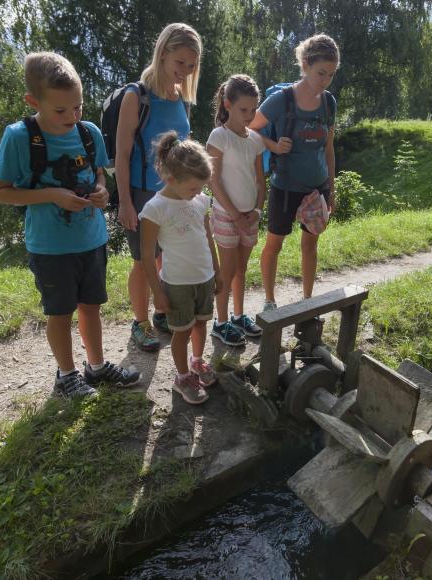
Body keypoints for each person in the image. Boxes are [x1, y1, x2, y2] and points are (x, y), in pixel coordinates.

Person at [0, 52, 140, 398]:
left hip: (92, 238)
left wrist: (102, 191)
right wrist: (51, 195)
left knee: (91, 306)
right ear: (33, 101)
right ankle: (67, 374)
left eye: (78, 107)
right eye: (60, 111)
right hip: (50, 246)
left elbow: (99, 173)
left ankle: (97, 366)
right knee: (59, 312)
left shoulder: (88, 133)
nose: (72, 117)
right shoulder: (18, 137)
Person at [115, 22, 202, 352]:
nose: (185, 71)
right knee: (143, 261)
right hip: (141, 194)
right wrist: (124, 202)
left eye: (191, 65)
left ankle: (160, 312)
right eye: (180, 62)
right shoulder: (136, 96)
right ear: (162, 53)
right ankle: (140, 323)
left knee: (165, 257)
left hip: (174, 194)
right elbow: (121, 156)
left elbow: (185, 148)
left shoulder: (182, 98)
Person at [250, 33, 339, 311]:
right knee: (274, 244)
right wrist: (274, 146)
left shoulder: (329, 103)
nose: (324, 81)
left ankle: (308, 301)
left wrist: (332, 188)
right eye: (320, 73)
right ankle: (269, 301)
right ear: (305, 65)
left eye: (331, 75)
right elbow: (248, 128)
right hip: (285, 187)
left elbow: (328, 148)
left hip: (317, 187)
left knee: (310, 246)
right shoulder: (281, 100)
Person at [139, 132, 220, 405]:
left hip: (204, 278)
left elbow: (208, 238)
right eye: (193, 189)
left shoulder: (199, 201)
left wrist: (217, 271)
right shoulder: (156, 209)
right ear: (171, 179)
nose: (198, 194)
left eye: (200, 189)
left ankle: (197, 362)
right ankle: (182, 376)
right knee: (181, 331)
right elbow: (147, 256)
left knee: (200, 324)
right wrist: (156, 292)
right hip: (177, 283)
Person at [206, 75, 266, 347]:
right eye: (244, 110)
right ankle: (220, 323)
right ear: (227, 104)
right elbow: (213, 181)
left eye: (254, 109)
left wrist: (256, 211)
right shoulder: (219, 137)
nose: (250, 115)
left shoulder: (255, 140)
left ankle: (239, 316)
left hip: (249, 216)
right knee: (227, 272)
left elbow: (260, 181)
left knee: (242, 269)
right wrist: (235, 215)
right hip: (226, 216)